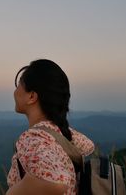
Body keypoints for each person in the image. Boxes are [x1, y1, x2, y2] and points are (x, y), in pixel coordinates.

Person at [6, 59, 94, 195]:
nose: (15, 91)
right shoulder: (61, 134)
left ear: (31, 96)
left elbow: (56, 183)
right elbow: (88, 146)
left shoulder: (34, 138)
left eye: (18, 85)